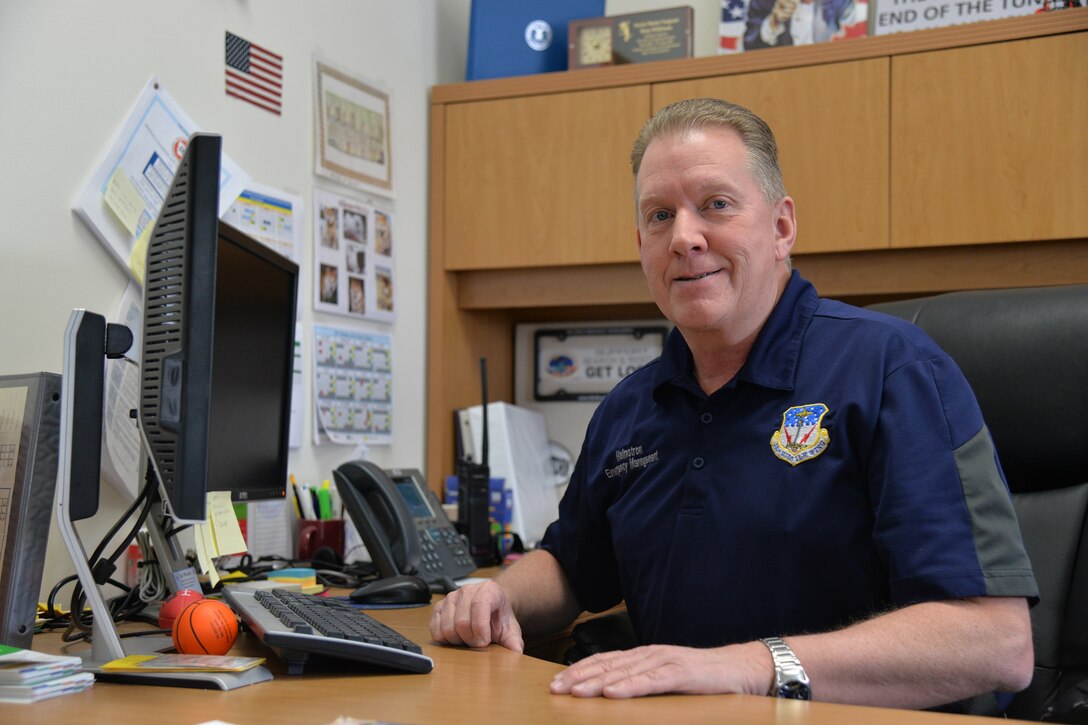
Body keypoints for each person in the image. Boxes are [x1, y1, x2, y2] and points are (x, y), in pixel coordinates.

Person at [429, 98, 1037, 710]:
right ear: (641, 243)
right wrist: (499, 596)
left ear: (781, 226)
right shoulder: (629, 408)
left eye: (716, 205)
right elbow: (571, 566)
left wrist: (747, 667)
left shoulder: (891, 369)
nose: (685, 238)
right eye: (660, 216)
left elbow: (993, 642)